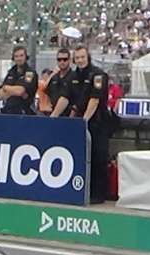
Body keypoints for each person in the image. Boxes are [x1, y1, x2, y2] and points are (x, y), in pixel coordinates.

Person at [70, 46, 114, 203]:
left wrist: (84, 121)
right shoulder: (74, 75)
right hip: (80, 121)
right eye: (77, 58)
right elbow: (71, 99)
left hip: (97, 122)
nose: (80, 60)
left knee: (98, 157)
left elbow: (94, 100)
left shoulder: (98, 75)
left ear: (88, 57)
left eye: (82, 57)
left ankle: (99, 194)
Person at [0, 45, 37, 115]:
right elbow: (0, 95)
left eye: (21, 56)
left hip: (24, 113)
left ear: (26, 57)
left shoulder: (30, 73)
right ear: (13, 58)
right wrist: (14, 90)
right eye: (16, 56)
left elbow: (20, 91)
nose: (19, 58)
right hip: (7, 111)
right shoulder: (11, 72)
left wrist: (6, 88)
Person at [47, 48, 75, 116]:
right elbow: (47, 91)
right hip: (54, 114)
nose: (62, 62)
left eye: (65, 59)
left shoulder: (75, 77)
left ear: (69, 60)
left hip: (70, 116)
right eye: (59, 59)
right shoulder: (54, 78)